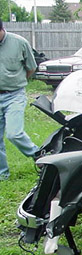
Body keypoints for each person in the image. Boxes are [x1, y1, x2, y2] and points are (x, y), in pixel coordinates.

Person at [0, 18, 39, 181]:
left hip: (14, 95)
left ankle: (40, 156)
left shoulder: (19, 43)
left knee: (14, 134)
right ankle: (2, 175)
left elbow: (31, 68)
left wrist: (16, 82)